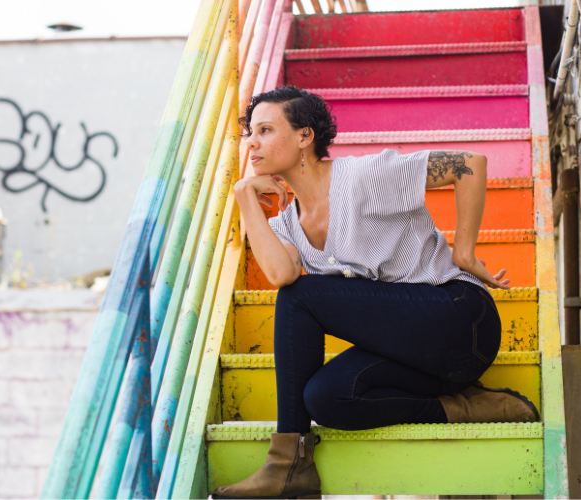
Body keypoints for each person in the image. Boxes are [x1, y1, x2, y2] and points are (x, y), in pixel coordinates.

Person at [211, 86, 539, 500]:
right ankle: (466, 407)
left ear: (304, 137)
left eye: (265, 130)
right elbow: (281, 273)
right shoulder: (287, 224)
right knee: (326, 398)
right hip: (414, 358)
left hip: (459, 320)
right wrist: (244, 197)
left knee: (302, 296)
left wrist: (465, 252)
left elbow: (468, 164)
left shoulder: (362, 177)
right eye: (249, 133)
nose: (253, 143)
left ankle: (287, 461)